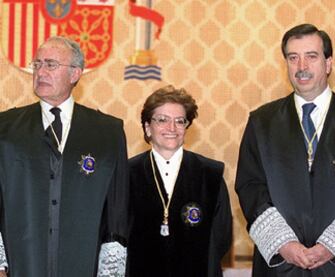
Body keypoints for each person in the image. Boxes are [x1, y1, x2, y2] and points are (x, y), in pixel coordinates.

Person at [235, 23, 335, 277]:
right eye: (293, 58)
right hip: (281, 264)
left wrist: (331, 246)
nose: (302, 67)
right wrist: (284, 245)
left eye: (311, 56)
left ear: (328, 63)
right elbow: (250, 186)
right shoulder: (261, 122)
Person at [0, 36, 129, 277]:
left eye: (50, 64)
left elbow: (117, 209)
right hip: (23, 262)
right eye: (36, 64)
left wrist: (111, 271)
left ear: (75, 74)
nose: (40, 72)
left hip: (82, 262)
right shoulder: (5, 128)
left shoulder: (107, 132)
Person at [127, 85, 232, 277]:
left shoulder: (211, 174)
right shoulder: (126, 174)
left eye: (179, 121)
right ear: (147, 127)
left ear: (186, 127)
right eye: (162, 120)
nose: (172, 128)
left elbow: (222, 237)